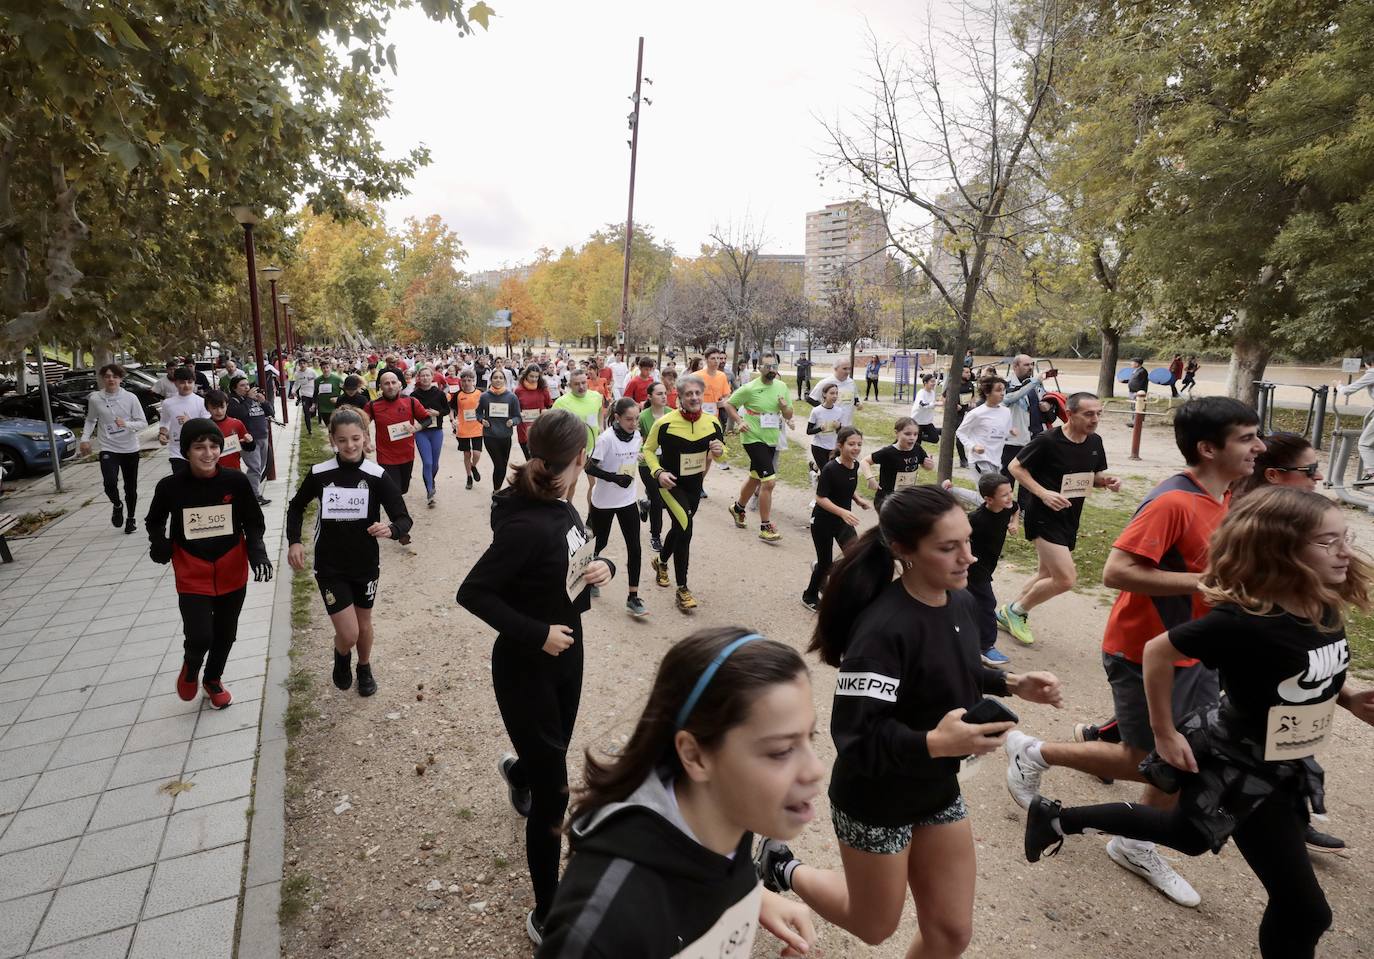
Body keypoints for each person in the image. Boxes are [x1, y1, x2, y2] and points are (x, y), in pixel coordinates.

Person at [1023, 487, 1374, 959]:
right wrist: (1164, 733)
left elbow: (1304, 667)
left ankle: (1056, 818)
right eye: (1328, 542)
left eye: (1345, 537)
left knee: (1187, 836)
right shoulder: (1243, 621)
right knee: (1307, 912)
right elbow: (1157, 651)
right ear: (1280, 549)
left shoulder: (1321, 601)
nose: (1345, 551)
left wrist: (1347, 696)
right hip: (1242, 768)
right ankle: (1057, 818)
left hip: (1285, 760)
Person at [754, 485, 1063, 957]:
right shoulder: (881, 630)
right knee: (875, 925)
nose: (969, 558)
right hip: (875, 797)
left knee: (951, 932)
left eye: (968, 541)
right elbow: (856, 738)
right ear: (903, 550)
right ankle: (782, 868)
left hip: (935, 789)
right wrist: (935, 743)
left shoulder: (956, 600)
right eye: (949, 547)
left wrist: (1011, 683)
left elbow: (948, 665)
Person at [1004, 397, 1263, 905]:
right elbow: (1116, 573)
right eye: (1247, 437)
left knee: (1183, 753)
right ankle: (1033, 752)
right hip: (1144, 649)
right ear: (1209, 448)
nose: (1259, 445)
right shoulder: (1173, 501)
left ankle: (1137, 839)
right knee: (1148, 756)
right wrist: (1206, 582)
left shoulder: (1225, 496)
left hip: (1197, 648)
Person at [537, 628, 821, 958]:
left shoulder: (730, 816)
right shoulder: (600, 933)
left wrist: (752, 896)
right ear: (695, 756)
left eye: (809, 738)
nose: (816, 769)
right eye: (781, 750)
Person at [455, 410, 616, 944]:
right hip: (527, 664)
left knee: (554, 752)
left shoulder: (562, 506)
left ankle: (521, 772)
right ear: (577, 461)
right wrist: (535, 633)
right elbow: (473, 593)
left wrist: (603, 568)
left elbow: (577, 555)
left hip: (568, 653)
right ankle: (548, 911)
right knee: (555, 795)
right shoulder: (526, 522)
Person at [145, 419, 272, 710]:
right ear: (186, 451)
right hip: (192, 569)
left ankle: (213, 680)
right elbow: (154, 521)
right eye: (199, 447)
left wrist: (257, 552)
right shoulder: (170, 486)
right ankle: (191, 665)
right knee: (201, 634)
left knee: (226, 633)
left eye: (213, 446)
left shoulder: (235, 481)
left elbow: (254, 521)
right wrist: (159, 542)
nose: (208, 453)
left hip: (231, 566)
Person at [286, 408, 412, 699]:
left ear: (366, 438)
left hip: (365, 563)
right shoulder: (320, 473)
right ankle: (342, 654)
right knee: (349, 632)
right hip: (330, 564)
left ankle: (364, 668)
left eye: (356, 438)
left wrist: (390, 529)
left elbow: (403, 517)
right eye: (342, 440)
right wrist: (295, 541)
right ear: (333, 440)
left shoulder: (377, 475)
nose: (350, 445)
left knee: (364, 624)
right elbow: (295, 506)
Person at [1000, 392, 1121, 645]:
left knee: (1046, 574)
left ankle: (1006, 612)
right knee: (1065, 578)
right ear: (1071, 413)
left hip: (1070, 516)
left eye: (1098, 413)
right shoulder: (1047, 440)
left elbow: (1093, 477)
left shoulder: (1094, 441)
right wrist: (1043, 493)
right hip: (1043, 514)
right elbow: (1015, 467)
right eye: (1089, 414)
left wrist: (1107, 482)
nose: (1095, 419)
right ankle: (1016, 612)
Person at [643, 374, 727, 612]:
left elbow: (723, 454)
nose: (693, 397)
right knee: (686, 528)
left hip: (694, 487)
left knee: (679, 527)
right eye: (688, 394)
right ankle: (682, 588)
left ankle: (660, 562)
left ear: (702, 395)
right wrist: (658, 472)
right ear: (678, 397)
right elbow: (648, 450)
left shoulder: (712, 423)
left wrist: (721, 451)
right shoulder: (665, 423)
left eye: (697, 393)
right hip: (670, 485)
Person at [948, 472, 1018, 667]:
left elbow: (1016, 509)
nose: (1009, 497)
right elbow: (956, 537)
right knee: (987, 603)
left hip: (988, 564)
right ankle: (985, 647)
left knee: (961, 601)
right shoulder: (976, 519)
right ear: (988, 499)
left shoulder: (1008, 507)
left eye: (1010, 492)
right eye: (1004, 495)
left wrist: (1014, 523)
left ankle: (952, 635)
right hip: (974, 567)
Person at [586, 398, 648, 618]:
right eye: (629, 419)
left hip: (627, 501)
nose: (633, 423)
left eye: (636, 419)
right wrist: (613, 478)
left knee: (635, 547)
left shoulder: (638, 436)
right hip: (603, 502)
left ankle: (633, 596)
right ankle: (591, 576)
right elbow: (588, 467)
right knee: (599, 542)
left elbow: (632, 459)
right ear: (617, 418)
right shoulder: (606, 439)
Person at [723, 352, 793, 544]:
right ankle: (765, 526)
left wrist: (784, 407)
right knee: (768, 482)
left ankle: (738, 508)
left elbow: (788, 414)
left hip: (771, 438)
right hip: (752, 437)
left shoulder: (782, 387)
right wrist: (739, 421)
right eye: (767, 366)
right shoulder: (750, 388)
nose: (771, 370)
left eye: (774, 366)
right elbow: (728, 404)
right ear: (760, 367)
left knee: (755, 477)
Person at [802, 426, 870, 611]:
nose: (856, 448)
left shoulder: (854, 465)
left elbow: (846, 487)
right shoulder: (831, 469)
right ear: (840, 445)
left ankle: (823, 569)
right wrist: (842, 512)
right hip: (823, 522)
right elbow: (820, 498)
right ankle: (809, 595)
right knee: (825, 563)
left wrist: (858, 499)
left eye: (859, 444)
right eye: (851, 444)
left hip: (842, 521)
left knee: (856, 556)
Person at [79, 363, 148, 535]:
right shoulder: (95, 398)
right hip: (108, 447)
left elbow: (143, 423)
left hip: (130, 448)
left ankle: (131, 518)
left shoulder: (130, 398)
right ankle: (117, 505)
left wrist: (127, 424)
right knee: (109, 482)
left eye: (115, 376)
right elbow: (90, 420)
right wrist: (85, 439)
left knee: (130, 487)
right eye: (108, 376)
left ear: (121, 379)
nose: (111, 379)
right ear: (103, 379)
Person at [365, 370, 427, 497]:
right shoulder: (373, 405)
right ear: (380, 387)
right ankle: (398, 515)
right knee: (394, 491)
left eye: (393, 382)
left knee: (403, 489)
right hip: (385, 455)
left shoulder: (411, 401)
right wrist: (366, 441)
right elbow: (361, 424)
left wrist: (417, 427)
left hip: (407, 454)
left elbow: (427, 419)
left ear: (399, 384)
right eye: (386, 383)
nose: (390, 386)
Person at [552, 368, 605, 508]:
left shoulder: (596, 397)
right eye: (576, 384)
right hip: (572, 451)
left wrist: (600, 425)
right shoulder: (561, 402)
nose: (581, 387)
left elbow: (600, 410)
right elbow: (552, 426)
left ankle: (591, 517)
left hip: (592, 449)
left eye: (583, 383)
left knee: (594, 486)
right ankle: (567, 514)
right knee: (570, 485)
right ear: (570, 385)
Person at [861, 416, 934, 514]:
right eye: (907, 434)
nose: (912, 438)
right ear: (897, 433)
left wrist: (929, 465)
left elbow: (926, 466)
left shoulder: (917, 449)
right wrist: (870, 478)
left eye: (915, 434)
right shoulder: (888, 452)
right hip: (886, 500)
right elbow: (864, 461)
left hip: (906, 498)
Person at [1002, 355, 1046, 509]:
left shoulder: (1035, 384)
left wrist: (1046, 405)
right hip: (1012, 440)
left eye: (1032, 364)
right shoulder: (1006, 383)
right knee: (1007, 477)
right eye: (1026, 364)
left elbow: (1043, 399)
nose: (1030, 367)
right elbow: (1010, 398)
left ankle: (1023, 508)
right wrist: (1034, 382)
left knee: (1028, 475)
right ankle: (1006, 508)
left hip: (1033, 437)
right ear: (1015, 367)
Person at [227, 375, 272, 505]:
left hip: (263, 436)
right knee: (255, 467)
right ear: (234, 388)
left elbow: (270, 412)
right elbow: (239, 414)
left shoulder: (254, 398)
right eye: (242, 385)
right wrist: (248, 399)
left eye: (247, 384)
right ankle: (254, 495)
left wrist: (263, 402)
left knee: (260, 466)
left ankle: (249, 491)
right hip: (248, 439)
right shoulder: (234, 400)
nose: (247, 387)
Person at [637, 382, 671, 553]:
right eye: (659, 394)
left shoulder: (673, 414)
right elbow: (635, 437)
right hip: (647, 464)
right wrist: (638, 451)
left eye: (665, 393)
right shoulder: (643, 416)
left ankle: (646, 504)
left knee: (665, 499)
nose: (664, 396)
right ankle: (655, 536)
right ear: (649, 397)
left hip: (667, 462)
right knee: (658, 498)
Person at [407, 367, 448, 506]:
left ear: (432, 377)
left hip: (436, 431)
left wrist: (438, 413)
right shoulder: (414, 395)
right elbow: (409, 413)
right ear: (418, 378)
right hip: (421, 432)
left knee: (435, 464)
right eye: (422, 376)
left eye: (427, 375)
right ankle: (430, 492)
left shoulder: (439, 394)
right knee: (428, 462)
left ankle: (431, 480)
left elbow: (447, 410)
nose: (425, 378)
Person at [955, 375, 1011, 475]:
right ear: (987, 392)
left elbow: (1004, 434)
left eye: (1003, 390)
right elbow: (960, 432)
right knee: (989, 490)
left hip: (997, 461)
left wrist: (1011, 432)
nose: (1002, 393)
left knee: (993, 491)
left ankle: (950, 489)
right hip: (980, 460)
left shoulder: (1006, 412)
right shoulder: (976, 413)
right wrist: (973, 446)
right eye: (998, 390)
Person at [158, 367, 209, 475]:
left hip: (197, 448)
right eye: (182, 382)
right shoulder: (168, 403)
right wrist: (162, 434)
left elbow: (208, 425)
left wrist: (190, 422)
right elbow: (165, 421)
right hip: (176, 450)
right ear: (175, 383)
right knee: (181, 483)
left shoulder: (201, 402)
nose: (186, 385)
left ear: (194, 383)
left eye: (190, 382)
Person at [478, 367, 520, 493]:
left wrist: (513, 421)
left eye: (500, 378)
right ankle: (497, 491)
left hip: (505, 436)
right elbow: (478, 413)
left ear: (505, 380)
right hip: (490, 436)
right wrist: (481, 420)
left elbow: (518, 416)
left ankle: (497, 489)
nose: (498, 380)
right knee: (499, 464)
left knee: (503, 465)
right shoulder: (485, 396)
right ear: (491, 380)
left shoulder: (511, 397)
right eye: (495, 378)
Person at [1334, 351, 1374, 481]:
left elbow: (1347, 391)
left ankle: (1372, 473)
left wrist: (1338, 385)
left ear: (1370, 364)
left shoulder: (1372, 373)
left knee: (1364, 443)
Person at [204, 390, 253, 475]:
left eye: (222, 407)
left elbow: (249, 448)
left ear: (227, 405)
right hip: (211, 472)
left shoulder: (237, 424)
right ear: (207, 408)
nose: (219, 411)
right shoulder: (204, 426)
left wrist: (249, 442)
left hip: (234, 470)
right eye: (214, 408)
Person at [451, 369, 485, 490]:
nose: (466, 383)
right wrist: (452, 420)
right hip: (463, 428)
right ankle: (469, 477)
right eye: (464, 380)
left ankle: (473, 466)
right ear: (461, 381)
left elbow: (485, 408)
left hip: (477, 427)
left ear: (473, 381)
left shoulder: (480, 393)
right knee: (467, 453)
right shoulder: (458, 394)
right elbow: (451, 409)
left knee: (476, 453)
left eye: (469, 380)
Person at [805, 383, 847, 477]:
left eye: (836, 393)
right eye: (832, 393)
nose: (835, 396)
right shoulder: (816, 411)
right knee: (827, 473)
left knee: (832, 472)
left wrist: (839, 427)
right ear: (824, 394)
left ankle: (815, 470)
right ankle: (814, 475)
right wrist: (820, 429)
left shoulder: (839, 411)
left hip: (833, 448)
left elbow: (841, 433)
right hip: (818, 446)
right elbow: (808, 431)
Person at [515, 364, 552, 459]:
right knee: (529, 460)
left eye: (536, 376)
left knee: (540, 459)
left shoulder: (543, 389)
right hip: (524, 429)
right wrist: (518, 413)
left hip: (540, 429)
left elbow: (550, 405)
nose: (534, 379)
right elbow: (515, 408)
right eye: (531, 376)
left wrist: (546, 411)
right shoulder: (519, 390)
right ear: (526, 375)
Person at [911, 373, 941, 445]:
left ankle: (919, 436)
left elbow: (931, 405)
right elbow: (922, 404)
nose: (934, 383)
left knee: (935, 438)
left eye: (934, 381)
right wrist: (935, 404)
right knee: (917, 445)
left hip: (927, 422)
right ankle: (917, 437)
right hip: (917, 421)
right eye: (932, 382)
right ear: (925, 383)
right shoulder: (921, 393)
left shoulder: (933, 393)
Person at [313, 359, 343, 426]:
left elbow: (346, 391)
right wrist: (314, 404)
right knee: (329, 427)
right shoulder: (317, 380)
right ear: (321, 369)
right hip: (323, 408)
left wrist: (338, 398)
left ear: (330, 368)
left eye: (327, 367)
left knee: (335, 427)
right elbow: (315, 393)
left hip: (335, 408)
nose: (326, 370)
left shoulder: (337, 379)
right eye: (323, 368)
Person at [293, 358, 318, 434]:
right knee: (306, 412)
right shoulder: (297, 374)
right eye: (301, 364)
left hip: (313, 394)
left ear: (307, 364)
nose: (302, 365)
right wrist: (293, 391)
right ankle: (309, 430)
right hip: (304, 394)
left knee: (313, 413)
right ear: (299, 365)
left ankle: (313, 415)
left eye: (304, 363)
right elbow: (296, 384)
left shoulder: (312, 371)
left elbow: (317, 380)